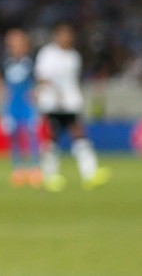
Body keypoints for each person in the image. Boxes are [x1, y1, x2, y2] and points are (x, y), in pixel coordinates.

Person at [34, 22, 110, 192]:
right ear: (57, 36)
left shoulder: (74, 56)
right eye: (64, 34)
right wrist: (54, 94)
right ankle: (50, 176)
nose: (68, 38)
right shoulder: (47, 54)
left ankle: (90, 174)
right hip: (52, 103)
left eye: (70, 35)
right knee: (51, 139)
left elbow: (72, 81)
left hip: (70, 103)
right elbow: (42, 77)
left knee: (80, 135)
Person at [0, 28, 42, 188]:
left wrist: (37, 92)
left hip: (27, 104)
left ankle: (35, 168)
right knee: (14, 136)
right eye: (13, 44)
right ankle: (18, 169)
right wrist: (0, 92)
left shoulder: (32, 61)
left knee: (31, 134)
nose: (16, 47)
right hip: (12, 105)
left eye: (19, 44)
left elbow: (43, 78)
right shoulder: (4, 61)